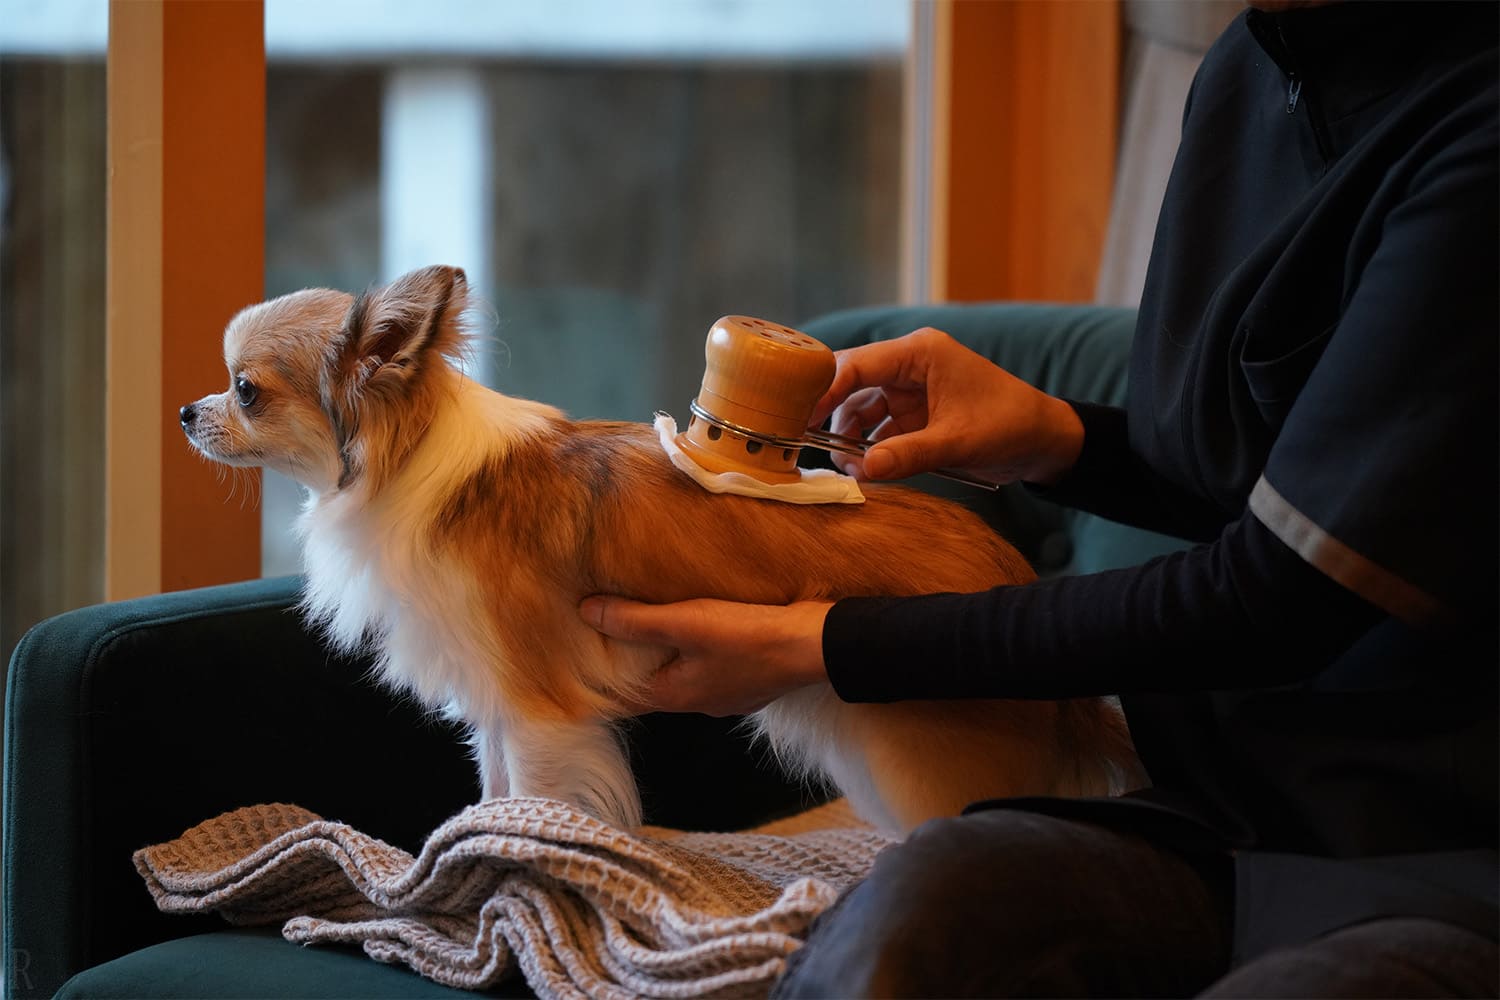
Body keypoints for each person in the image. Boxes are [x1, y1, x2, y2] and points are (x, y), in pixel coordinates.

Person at [579, 1, 1499, 995]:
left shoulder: (1476, 137)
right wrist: (1057, 437)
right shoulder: (1247, 72)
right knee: (924, 911)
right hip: (1217, 815)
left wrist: (830, 645)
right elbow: (1283, 487)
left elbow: (1275, 599)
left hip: (1445, 853)